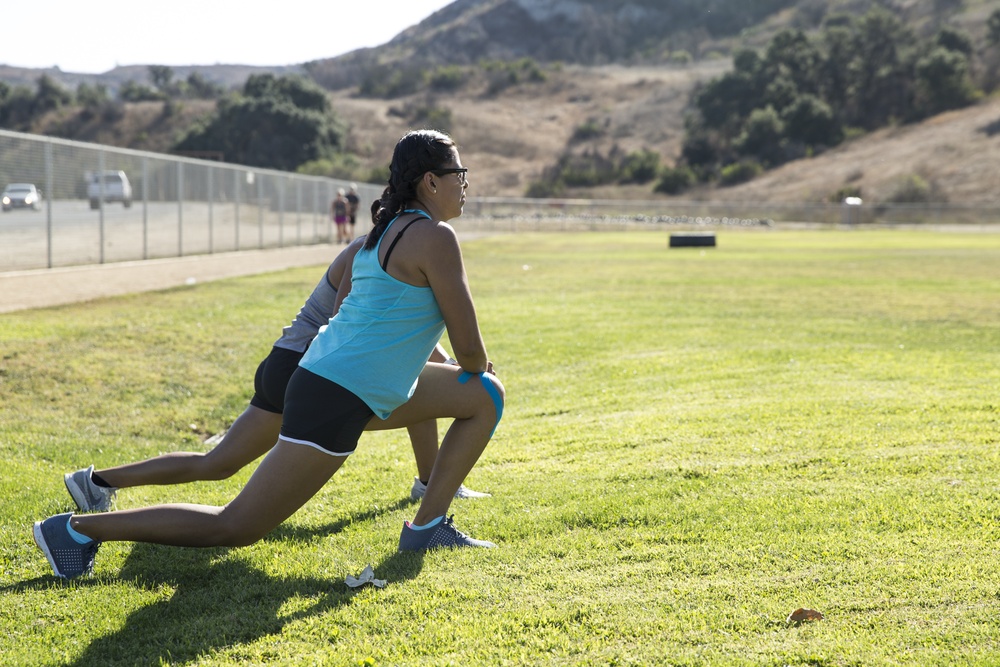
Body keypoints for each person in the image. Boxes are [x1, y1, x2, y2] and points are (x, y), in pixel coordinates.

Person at [33, 129, 504, 579]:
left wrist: (452, 369)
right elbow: (467, 353)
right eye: (460, 172)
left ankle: (425, 529)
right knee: (235, 525)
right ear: (431, 181)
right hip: (335, 396)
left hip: (327, 380)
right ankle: (76, 529)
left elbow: (347, 322)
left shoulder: (381, 235)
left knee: (484, 396)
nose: (465, 183)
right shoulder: (437, 239)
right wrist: (472, 363)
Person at [61, 236, 490, 516]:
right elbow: (361, 329)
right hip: (310, 371)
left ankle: (96, 482)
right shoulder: (373, 251)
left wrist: (446, 363)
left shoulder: (381, 247)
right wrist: (455, 366)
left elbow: (397, 332)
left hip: (286, 363)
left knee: (218, 463)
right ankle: (431, 486)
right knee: (422, 389)